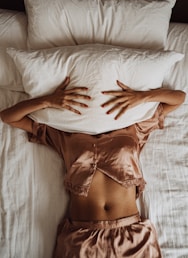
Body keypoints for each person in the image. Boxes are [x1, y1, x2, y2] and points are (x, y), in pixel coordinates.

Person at [0, 76, 185, 258]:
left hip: (132, 239)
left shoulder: (135, 130)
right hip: (82, 239)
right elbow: (9, 116)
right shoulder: (63, 134)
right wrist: (48, 100)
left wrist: (142, 97)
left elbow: (179, 97)